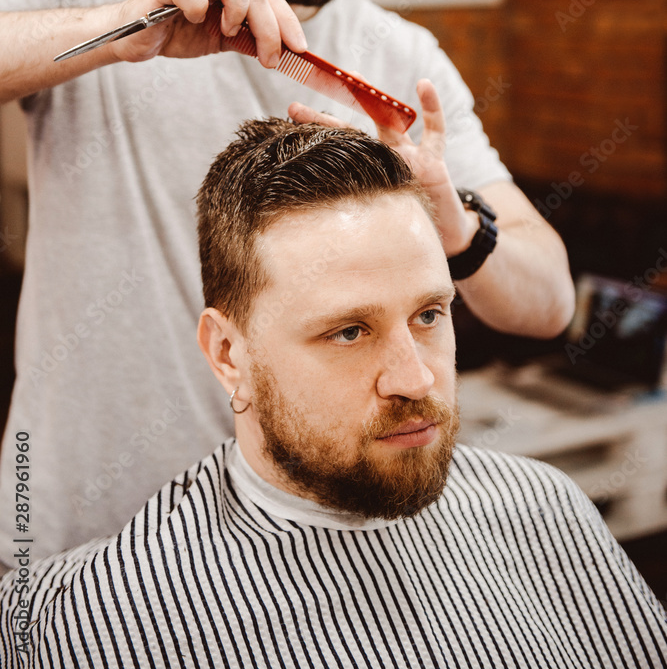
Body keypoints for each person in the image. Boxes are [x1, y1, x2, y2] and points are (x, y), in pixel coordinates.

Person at [0, 0, 574, 566]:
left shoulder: (402, 60)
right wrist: (119, 34)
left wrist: (450, 219)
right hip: (75, 539)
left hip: (316, 564)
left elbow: (550, 299)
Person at [0, 118, 663, 669]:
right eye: (349, 331)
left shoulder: (545, 509)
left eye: (429, 315)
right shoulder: (81, 624)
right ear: (228, 355)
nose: (415, 379)